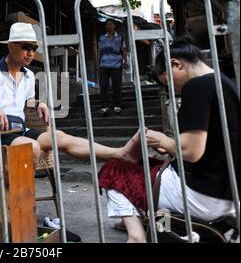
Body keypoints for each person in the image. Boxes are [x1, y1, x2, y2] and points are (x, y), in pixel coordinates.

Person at [99, 35, 239, 243]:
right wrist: (172, 146)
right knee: (146, 166)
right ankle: (144, 219)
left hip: (203, 194)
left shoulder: (196, 87)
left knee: (114, 169)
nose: (173, 90)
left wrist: (161, 140)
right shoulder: (225, 83)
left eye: (169, 83)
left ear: (176, 65)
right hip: (229, 193)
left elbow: (191, 152)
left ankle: (136, 236)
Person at [0, 22, 140, 165]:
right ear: (11, 46)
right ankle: (17, 205)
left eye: (33, 48)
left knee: (60, 136)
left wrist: (38, 103)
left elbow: (25, 102)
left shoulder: (28, 75)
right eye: (25, 47)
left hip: (21, 129)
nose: (30, 53)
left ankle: (118, 153)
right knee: (33, 147)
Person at [98, 18, 127, 115]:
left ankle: (117, 105)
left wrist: (125, 61)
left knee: (116, 85)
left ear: (114, 26)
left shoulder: (119, 38)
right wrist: (98, 63)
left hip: (117, 64)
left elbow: (123, 50)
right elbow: (99, 51)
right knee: (103, 86)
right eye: (107, 24)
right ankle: (104, 106)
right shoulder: (102, 38)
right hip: (104, 64)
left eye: (111, 24)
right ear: (105, 26)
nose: (109, 26)